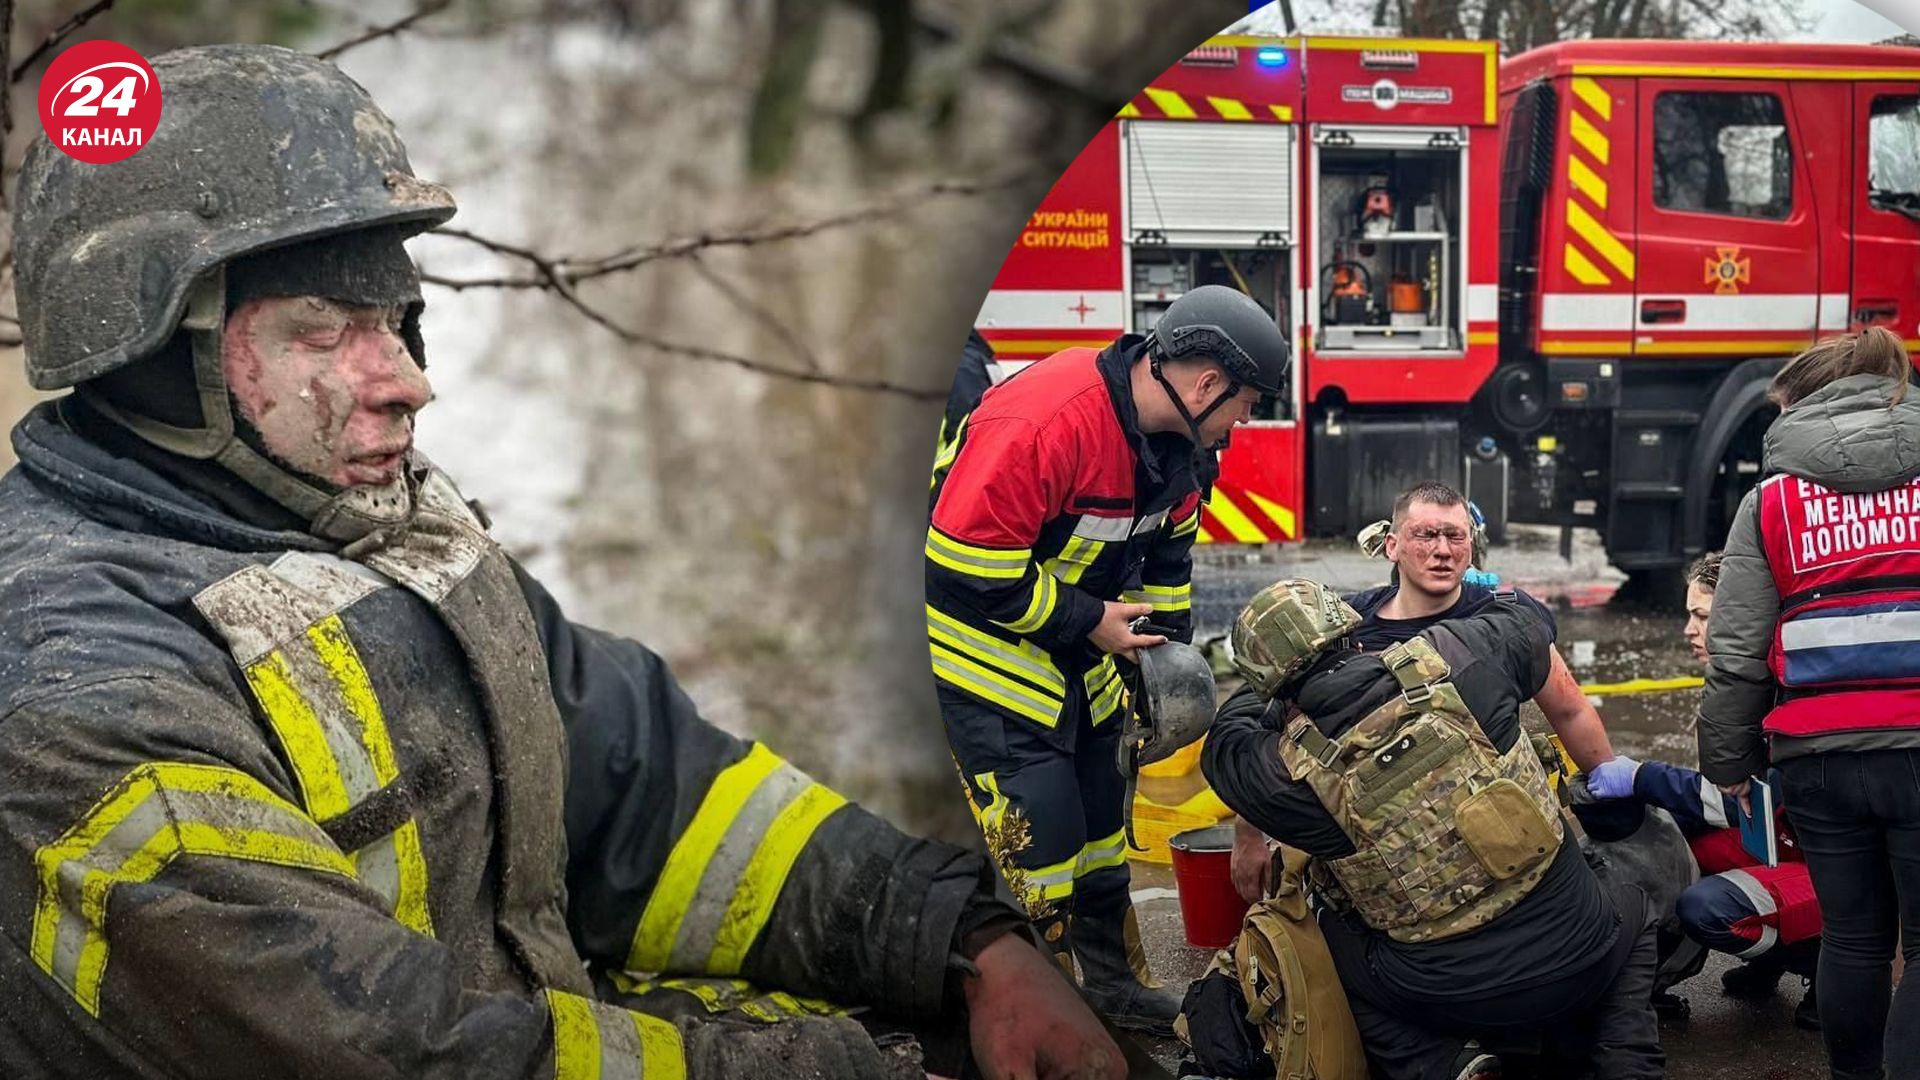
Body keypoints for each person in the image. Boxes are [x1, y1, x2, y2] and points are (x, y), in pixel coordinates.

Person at [0, 45, 1123, 1080]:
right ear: (159, 362)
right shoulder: (78, 692)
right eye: (323, 331)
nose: (406, 381)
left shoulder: (375, 531)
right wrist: (854, 1069)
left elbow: (657, 801)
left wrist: (962, 942)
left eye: (396, 320)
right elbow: (402, 1053)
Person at [925, 285, 1289, 1033]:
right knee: (1040, 835)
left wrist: (1167, 654)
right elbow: (962, 563)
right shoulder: (1049, 421)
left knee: (1098, 832)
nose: (1247, 419)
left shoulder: (1184, 445)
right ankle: (1024, 1008)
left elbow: (1167, 555)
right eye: (1245, 401)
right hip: (982, 648)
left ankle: (1112, 987)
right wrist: (1089, 620)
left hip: (1078, 650)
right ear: (1206, 384)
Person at [1205, 579, 1662, 1080]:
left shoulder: (1282, 775)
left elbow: (1225, 739)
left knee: (1321, 938)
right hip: (1580, 955)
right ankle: (1628, 1061)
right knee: (1634, 906)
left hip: (1445, 999)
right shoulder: (1461, 656)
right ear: (1353, 635)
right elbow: (1528, 617)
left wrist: (1272, 685)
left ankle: (1443, 1065)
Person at [1698, 326, 1920, 1080]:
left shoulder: (1771, 503)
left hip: (1817, 757)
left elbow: (1735, 652)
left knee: (1855, 938)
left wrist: (1727, 760)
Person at [1231, 481, 1616, 901]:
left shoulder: (1501, 619)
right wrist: (1248, 833)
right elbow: (1271, 736)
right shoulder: (1342, 629)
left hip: (1498, 828)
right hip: (1382, 855)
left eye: (1455, 536)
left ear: (1471, 545)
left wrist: (1615, 794)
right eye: (1426, 535)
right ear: (1392, 546)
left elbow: (1570, 711)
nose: (1443, 550)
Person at [1590, 551, 1824, 1027]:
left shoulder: (1788, 687)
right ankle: (1776, 955)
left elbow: (1740, 802)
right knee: (1676, 836)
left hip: (1839, 874)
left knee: (1707, 907)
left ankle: (1824, 964)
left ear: (1740, 616)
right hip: (1789, 841)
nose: (1688, 629)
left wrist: (1640, 776)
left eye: (1701, 616)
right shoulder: (1746, 680)